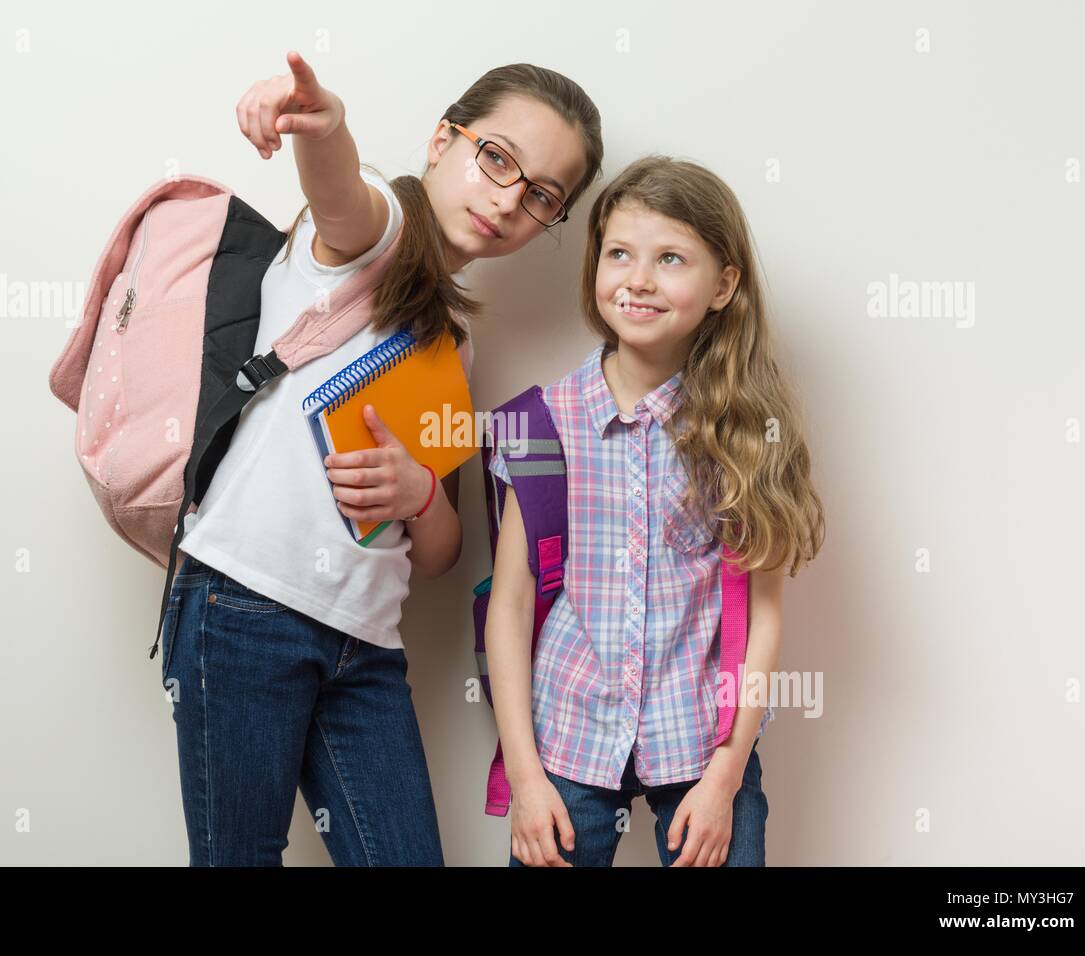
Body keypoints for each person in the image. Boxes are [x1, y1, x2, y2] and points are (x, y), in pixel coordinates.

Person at [163, 51, 604, 866]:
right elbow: (340, 195)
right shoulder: (373, 241)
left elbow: (437, 556)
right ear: (444, 140)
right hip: (243, 607)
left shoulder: (457, 342)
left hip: (364, 643)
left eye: (543, 195)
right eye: (497, 157)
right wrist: (322, 124)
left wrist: (417, 494)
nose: (509, 201)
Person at [484, 156, 825, 867]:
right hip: (565, 742)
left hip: (701, 745)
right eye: (619, 255)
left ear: (724, 284)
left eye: (670, 258)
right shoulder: (542, 424)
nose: (638, 280)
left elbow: (762, 614)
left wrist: (727, 777)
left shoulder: (746, 431)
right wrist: (524, 777)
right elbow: (511, 605)